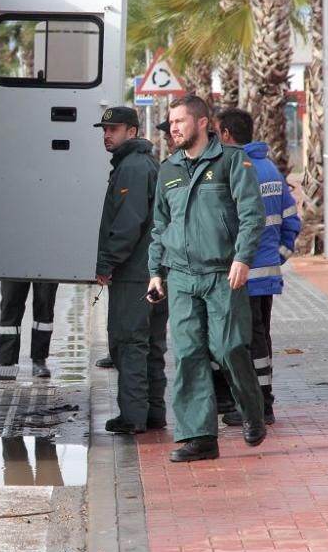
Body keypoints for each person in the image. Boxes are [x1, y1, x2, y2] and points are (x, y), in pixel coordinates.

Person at [146, 94, 267, 462]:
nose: (173, 128)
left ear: (203, 123)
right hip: (182, 276)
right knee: (187, 355)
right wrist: (155, 272)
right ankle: (199, 437)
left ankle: (252, 411)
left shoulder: (232, 161)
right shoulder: (167, 169)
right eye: (171, 123)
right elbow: (160, 225)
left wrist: (243, 258)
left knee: (229, 348)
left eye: (180, 121)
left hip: (222, 274)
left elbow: (252, 214)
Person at [213, 108, 302, 426]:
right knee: (261, 340)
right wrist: (275, 257)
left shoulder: (235, 169)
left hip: (243, 276)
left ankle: (258, 407)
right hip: (266, 276)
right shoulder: (271, 170)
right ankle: (264, 401)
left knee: (245, 342)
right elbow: (291, 221)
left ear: (225, 134)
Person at [93, 107, 169, 433]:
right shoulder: (144, 163)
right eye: (105, 129)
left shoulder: (133, 167)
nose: (107, 134)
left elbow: (128, 223)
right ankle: (153, 413)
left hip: (135, 273)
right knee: (151, 344)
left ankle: (134, 416)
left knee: (129, 343)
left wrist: (106, 262)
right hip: (154, 271)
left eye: (115, 128)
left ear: (133, 131)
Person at [0, 280, 59, 378]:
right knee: (10, 302)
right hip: (13, 265)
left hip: (47, 265)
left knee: (45, 304)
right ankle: (6, 359)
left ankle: (39, 360)